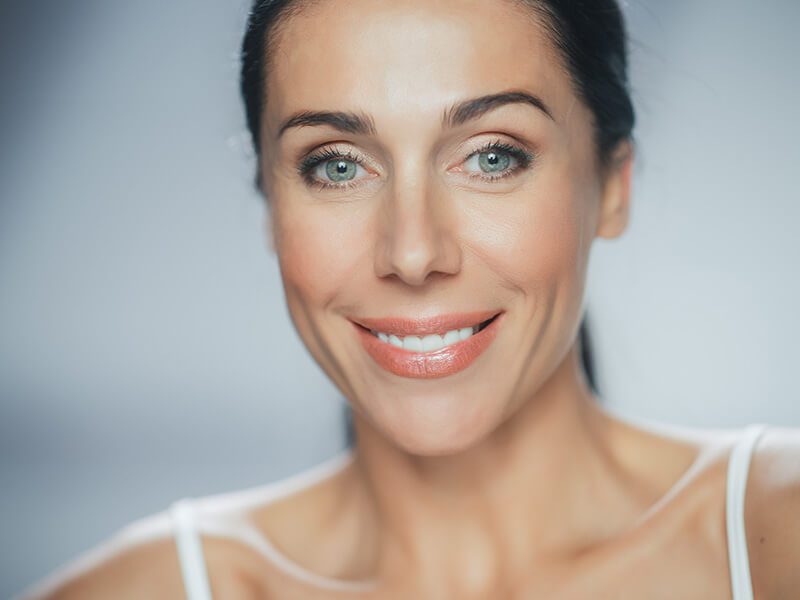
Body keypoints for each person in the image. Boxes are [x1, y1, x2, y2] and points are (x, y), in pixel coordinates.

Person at [24, 0, 799, 598]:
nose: (414, 252)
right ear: (269, 203)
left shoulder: (776, 537)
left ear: (612, 185)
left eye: (493, 156)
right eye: (336, 166)